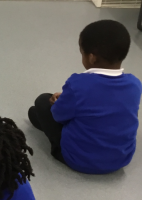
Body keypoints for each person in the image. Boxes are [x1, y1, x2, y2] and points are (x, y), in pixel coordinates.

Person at [28, 19, 142, 174]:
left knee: (42, 102)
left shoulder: (78, 84)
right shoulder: (135, 84)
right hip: (121, 159)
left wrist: (61, 101)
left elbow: (58, 116)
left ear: (92, 58)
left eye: (82, 52)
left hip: (78, 160)